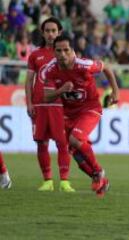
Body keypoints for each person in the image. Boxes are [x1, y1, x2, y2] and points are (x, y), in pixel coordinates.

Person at [42, 35, 119, 197]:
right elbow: (46, 96)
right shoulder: (50, 70)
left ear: (73, 51)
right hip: (69, 115)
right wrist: (61, 90)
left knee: (75, 140)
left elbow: (106, 68)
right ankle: (101, 182)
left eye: (66, 50)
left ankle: (98, 171)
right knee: (75, 152)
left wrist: (115, 92)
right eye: (58, 50)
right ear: (54, 52)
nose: (62, 54)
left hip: (90, 108)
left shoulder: (84, 65)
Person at [25, 17, 75, 192]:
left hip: (59, 105)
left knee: (63, 143)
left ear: (59, 32)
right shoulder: (35, 55)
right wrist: (29, 103)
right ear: (42, 33)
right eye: (47, 30)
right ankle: (47, 181)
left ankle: (64, 181)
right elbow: (29, 81)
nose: (51, 34)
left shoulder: (67, 54)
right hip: (39, 106)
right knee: (41, 143)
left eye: (54, 30)